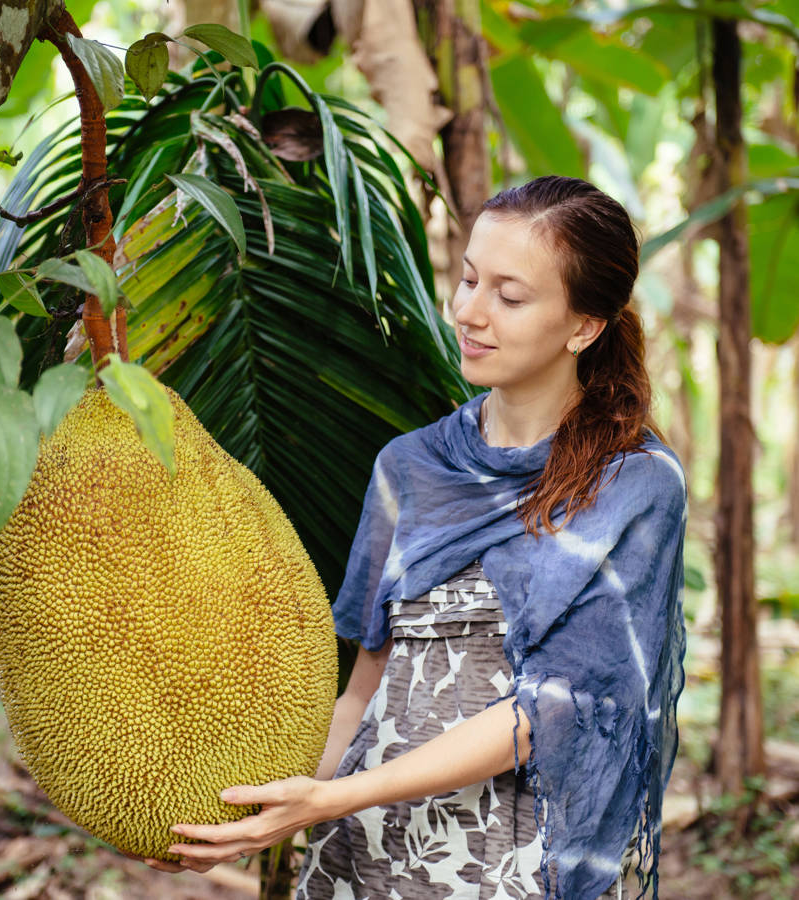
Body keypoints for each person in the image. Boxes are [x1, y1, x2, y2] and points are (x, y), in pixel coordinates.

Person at [145, 176, 687, 899]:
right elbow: (363, 689)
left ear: (584, 325)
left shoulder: (636, 485)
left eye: (510, 296)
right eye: (467, 280)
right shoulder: (410, 465)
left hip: (512, 864)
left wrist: (335, 797)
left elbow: (551, 710)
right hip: (365, 850)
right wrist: (265, 809)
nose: (469, 312)